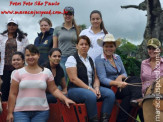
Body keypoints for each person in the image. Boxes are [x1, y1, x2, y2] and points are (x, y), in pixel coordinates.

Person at [6, 44, 75, 122]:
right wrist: (10, 113)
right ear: (25, 57)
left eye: (33, 54)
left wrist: (65, 99)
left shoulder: (46, 72)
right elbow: (13, 94)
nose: (30, 57)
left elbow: (54, 90)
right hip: (20, 112)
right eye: (27, 55)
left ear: (38, 55)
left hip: (41, 112)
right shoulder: (18, 73)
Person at [66, 35, 115, 122]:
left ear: (89, 46)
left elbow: (96, 77)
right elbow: (73, 79)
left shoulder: (91, 60)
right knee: (90, 95)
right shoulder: (72, 59)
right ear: (77, 46)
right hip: (75, 89)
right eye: (81, 44)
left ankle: (104, 120)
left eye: (86, 44)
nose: (84, 46)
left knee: (110, 94)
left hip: (91, 88)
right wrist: (90, 89)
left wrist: (96, 88)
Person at [95, 34, 142, 122]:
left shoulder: (117, 57)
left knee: (136, 81)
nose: (109, 48)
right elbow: (102, 78)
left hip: (120, 85)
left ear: (115, 47)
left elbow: (124, 72)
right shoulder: (99, 59)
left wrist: (120, 77)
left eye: (111, 46)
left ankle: (122, 118)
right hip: (110, 87)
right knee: (132, 90)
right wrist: (117, 83)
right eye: (107, 46)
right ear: (103, 47)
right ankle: (136, 100)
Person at [0, 18, 29, 101]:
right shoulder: (1, 37)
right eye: (10, 25)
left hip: (18, 67)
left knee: (18, 88)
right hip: (4, 67)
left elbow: (27, 51)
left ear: (17, 26)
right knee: (4, 89)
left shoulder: (23, 37)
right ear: (7, 26)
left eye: (13, 25)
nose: (11, 27)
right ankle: (5, 110)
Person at [53, 6, 80, 82]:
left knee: (74, 80)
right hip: (62, 58)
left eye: (70, 14)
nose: (68, 16)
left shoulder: (78, 29)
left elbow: (80, 45)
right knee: (62, 81)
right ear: (63, 15)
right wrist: (54, 58)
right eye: (66, 14)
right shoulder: (57, 29)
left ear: (73, 16)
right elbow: (55, 46)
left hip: (75, 58)